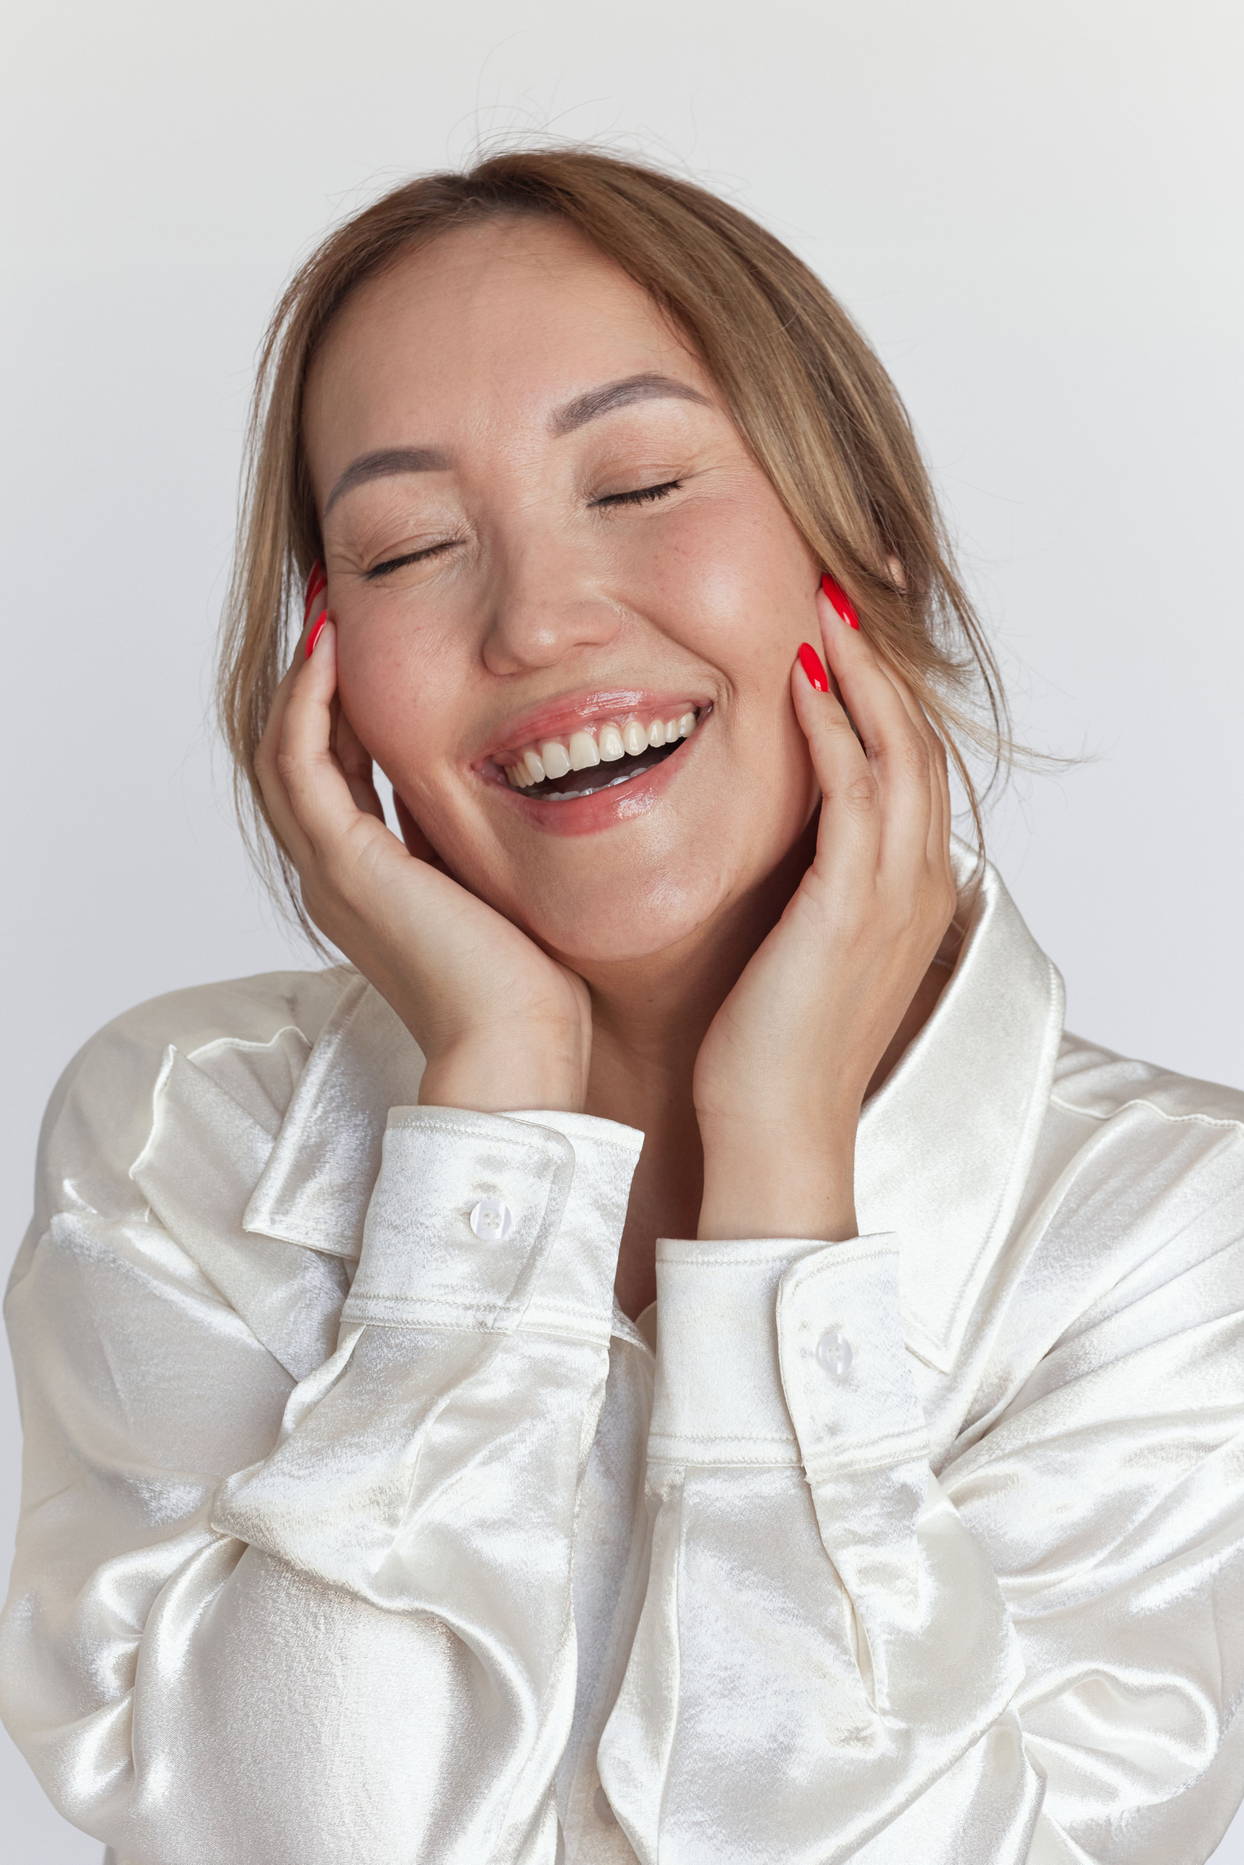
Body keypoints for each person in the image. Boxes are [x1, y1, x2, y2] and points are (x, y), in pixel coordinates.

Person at [2, 145, 1242, 1865]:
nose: (536, 621)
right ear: (325, 673)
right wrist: (495, 1108)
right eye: (409, 545)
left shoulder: (1174, 1233)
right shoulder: (180, 1135)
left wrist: (780, 1183)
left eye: (642, 482)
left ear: (865, 543)